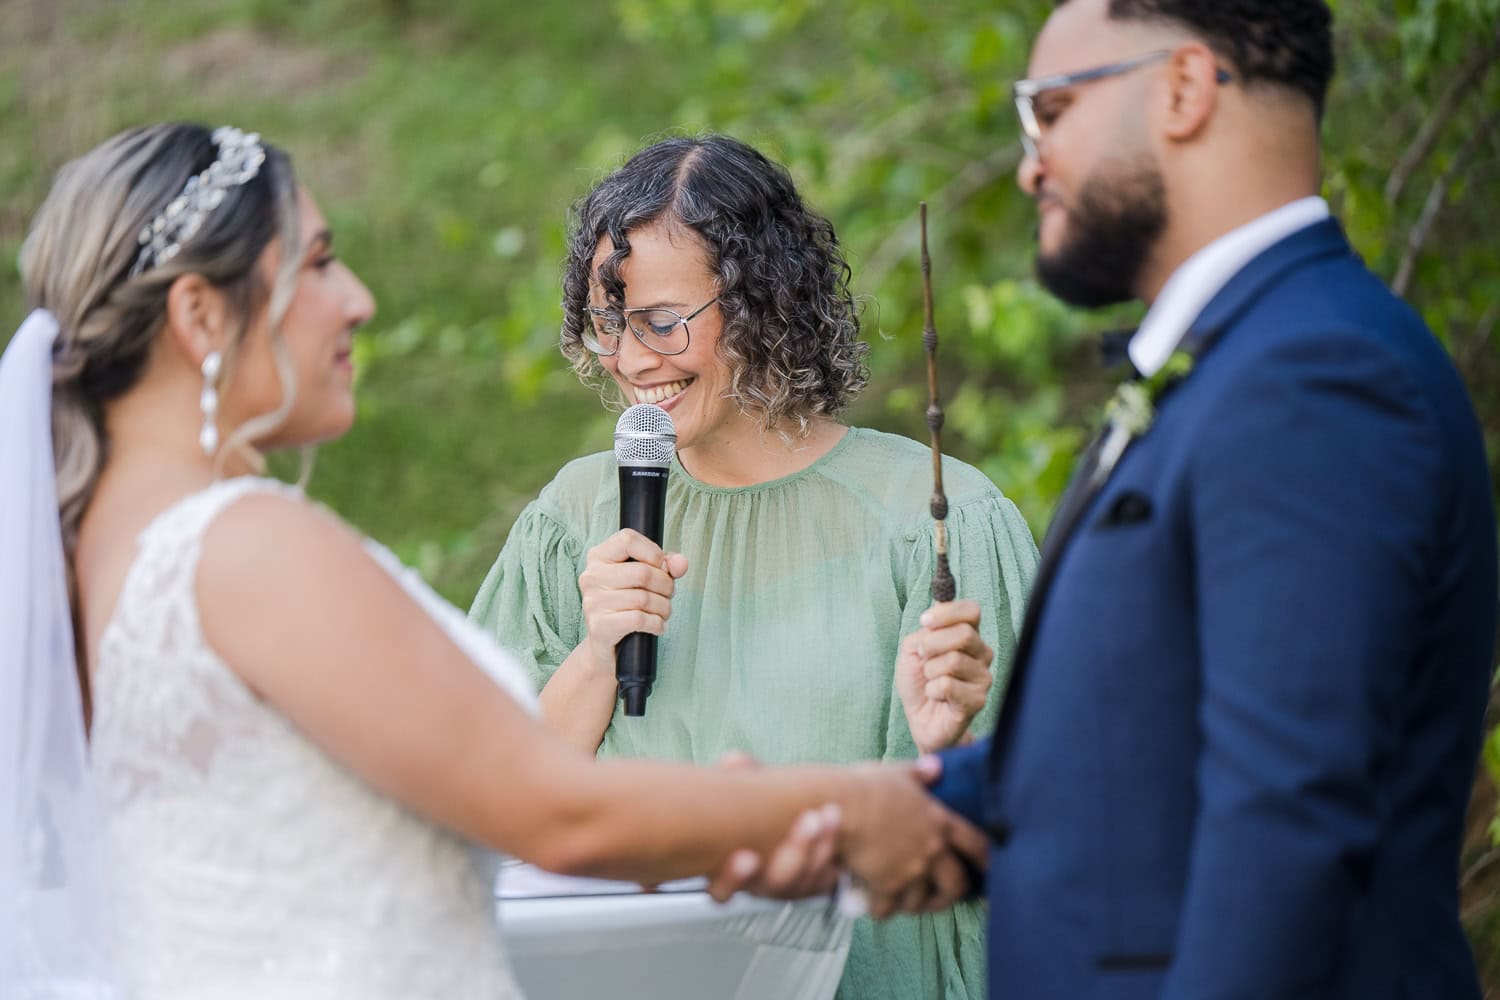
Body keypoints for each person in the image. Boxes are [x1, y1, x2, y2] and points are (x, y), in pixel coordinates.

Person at [0, 122, 989, 999]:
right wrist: (842, 804)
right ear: (200, 315)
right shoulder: (244, 546)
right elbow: (552, 811)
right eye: (319, 261)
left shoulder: (93, 552)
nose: (359, 298)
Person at [916, 0, 1498, 997]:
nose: (1030, 164)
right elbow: (1140, 765)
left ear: (1184, 89)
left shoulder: (1316, 374)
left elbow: (1287, 823)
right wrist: (875, 809)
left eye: (1051, 111)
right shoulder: (1238, 363)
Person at [469, 133, 1039, 1000]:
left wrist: (942, 746)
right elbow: (482, 800)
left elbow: (1043, 818)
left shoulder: (936, 519)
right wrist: (595, 656)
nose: (629, 359)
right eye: (609, 323)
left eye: (662, 322)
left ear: (763, 300)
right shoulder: (572, 518)